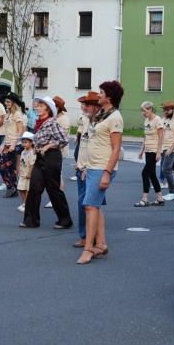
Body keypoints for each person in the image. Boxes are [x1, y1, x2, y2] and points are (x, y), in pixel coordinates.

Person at [77, 81, 123, 265]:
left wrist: (106, 173)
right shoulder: (102, 115)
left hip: (102, 168)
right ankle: (101, 244)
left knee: (90, 207)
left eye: (102, 92)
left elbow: (116, 148)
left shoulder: (115, 117)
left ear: (110, 97)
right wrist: (87, 167)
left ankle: (88, 248)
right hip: (93, 167)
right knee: (94, 206)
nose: (99, 95)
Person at [23, 96, 73, 229]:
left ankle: (65, 220)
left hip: (52, 157)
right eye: (37, 105)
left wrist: (48, 146)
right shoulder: (39, 122)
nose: (37, 107)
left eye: (40, 106)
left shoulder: (51, 122)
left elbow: (64, 139)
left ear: (48, 109)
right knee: (34, 188)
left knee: (53, 189)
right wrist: (36, 148)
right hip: (40, 158)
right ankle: (31, 220)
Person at [72, 91, 100, 248]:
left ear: (96, 107)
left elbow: (96, 149)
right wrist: (78, 163)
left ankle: (88, 238)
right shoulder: (86, 119)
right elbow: (83, 144)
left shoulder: (98, 123)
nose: (84, 107)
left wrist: (88, 167)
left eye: (87, 104)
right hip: (81, 167)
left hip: (90, 170)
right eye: (84, 104)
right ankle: (91, 237)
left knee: (87, 204)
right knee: (87, 204)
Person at [136, 101, 166, 207]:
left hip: (154, 150)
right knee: (152, 174)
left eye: (144, 111)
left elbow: (161, 136)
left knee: (145, 173)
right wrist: (141, 150)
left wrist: (158, 152)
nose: (143, 113)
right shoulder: (146, 120)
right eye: (142, 111)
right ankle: (160, 199)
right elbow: (146, 137)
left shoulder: (157, 120)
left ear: (151, 109)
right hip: (148, 150)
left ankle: (145, 199)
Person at [0, 94, 26, 198]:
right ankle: (13, 187)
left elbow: (20, 131)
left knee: (4, 166)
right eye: (6, 102)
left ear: (14, 103)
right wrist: (3, 144)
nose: (6, 103)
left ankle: (11, 187)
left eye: (8, 102)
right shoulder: (8, 114)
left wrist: (13, 144)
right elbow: (7, 131)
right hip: (7, 143)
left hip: (15, 144)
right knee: (6, 167)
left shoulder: (17, 114)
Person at [159, 100, 174, 201]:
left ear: (173, 110)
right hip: (164, 147)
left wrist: (171, 149)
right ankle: (172, 192)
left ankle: (173, 192)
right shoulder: (164, 119)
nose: (165, 111)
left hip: (173, 148)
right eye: (164, 109)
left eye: (167, 109)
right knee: (165, 169)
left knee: (166, 169)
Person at [16, 133, 36, 213]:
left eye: (26, 142)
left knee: (27, 190)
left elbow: (32, 164)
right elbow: (21, 162)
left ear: (31, 143)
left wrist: (30, 173)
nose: (24, 144)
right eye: (23, 142)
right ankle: (25, 203)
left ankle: (28, 206)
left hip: (28, 175)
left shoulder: (32, 152)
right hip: (22, 174)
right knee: (20, 189)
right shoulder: (23, 151)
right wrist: (18, 170)